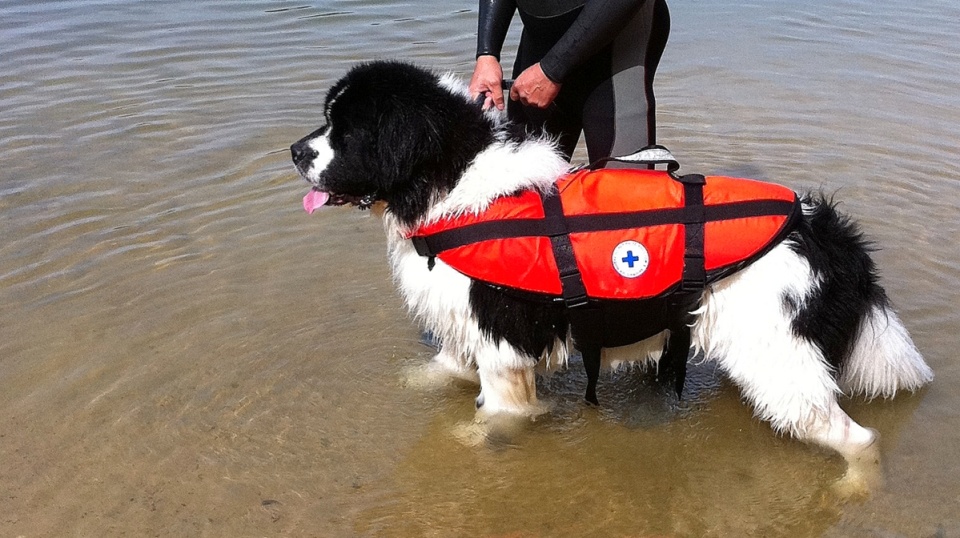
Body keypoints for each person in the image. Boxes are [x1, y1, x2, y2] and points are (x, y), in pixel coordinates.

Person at [469, 0, 670, 163]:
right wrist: (487, 54)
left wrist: (553, 70)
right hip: (540, 47)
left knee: (624, 200)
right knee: (520, 196)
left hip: (619, 48)